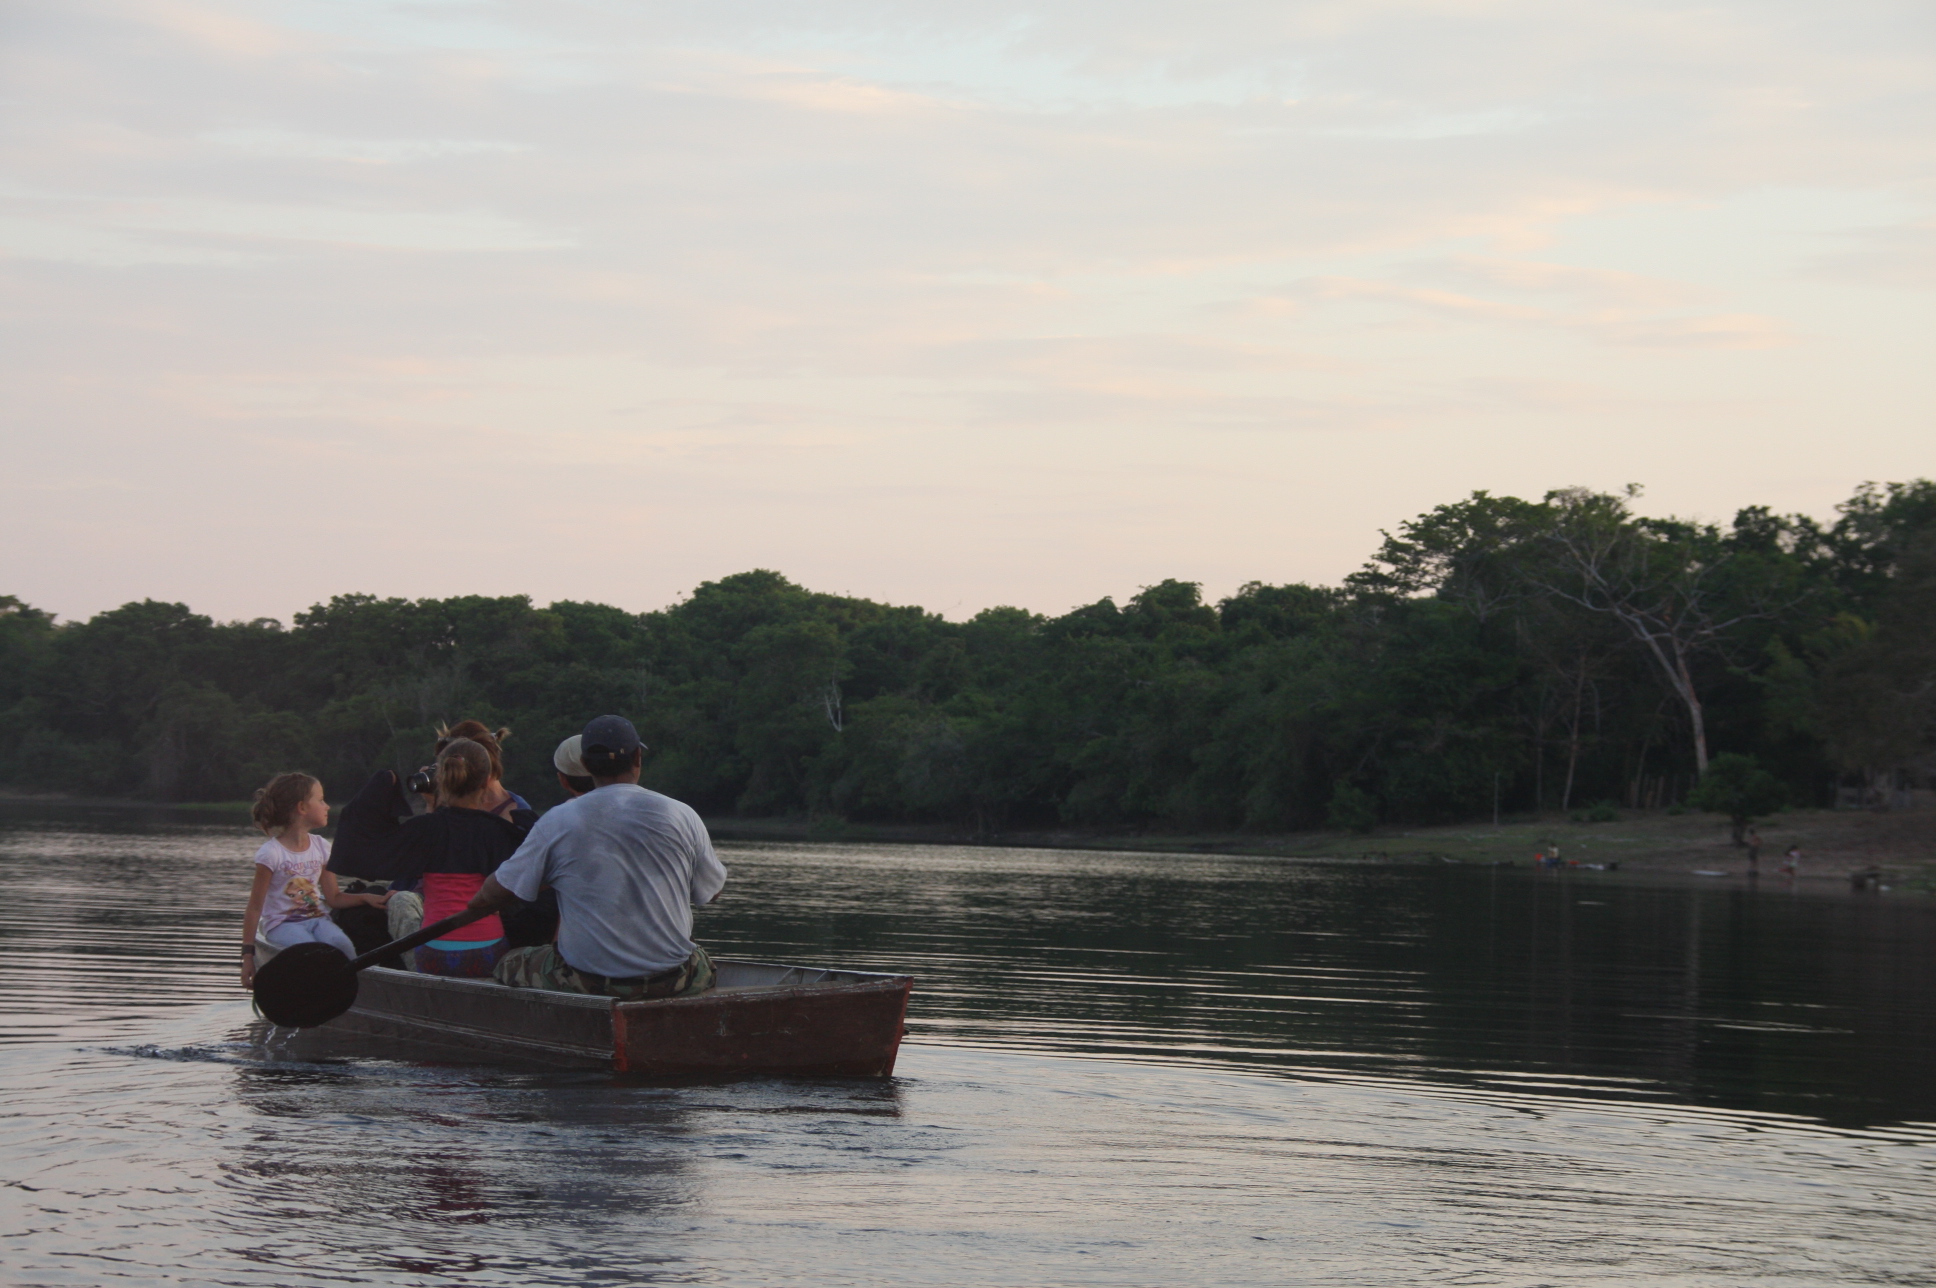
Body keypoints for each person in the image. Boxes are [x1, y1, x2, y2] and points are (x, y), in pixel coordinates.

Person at [466, 715, 726, 1000]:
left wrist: (475, 905)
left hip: (587, 980)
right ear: (637, 758)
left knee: (510, 962)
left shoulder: (558, 820)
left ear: (586, 764)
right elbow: (711, 893)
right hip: (673, 979)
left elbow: (496, 892)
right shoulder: (682, 814)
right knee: (700, 959)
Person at [331, 740, 536, 975]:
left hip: (434, 951)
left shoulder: (425, 829)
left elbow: (362, 839)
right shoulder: (498, 831)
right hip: (487, 950)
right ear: (486, 781)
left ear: (442, 780)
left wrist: (386, 779)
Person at [240, 772, 389, 989]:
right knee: (309, 950)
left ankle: (353, 993)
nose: (327, 806)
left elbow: (334, 898)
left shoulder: (321, 847)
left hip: (318, 919)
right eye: (320, 800)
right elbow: (254, 908)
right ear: (302, 808)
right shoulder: (271, 854)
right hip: (282, 924)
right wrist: (248, 956)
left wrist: (365, 897)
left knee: (342, 944)